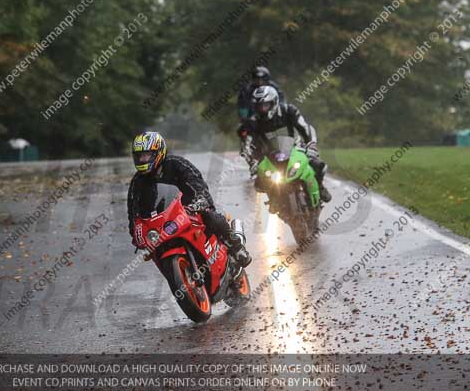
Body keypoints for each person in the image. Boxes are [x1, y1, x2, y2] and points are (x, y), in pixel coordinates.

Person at [127, 132, 252, 267]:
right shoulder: (137, 182)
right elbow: (133, 211)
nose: (143, 160)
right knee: (155, 250)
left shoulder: (176, 163)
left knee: (210, 216)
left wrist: (200, 199)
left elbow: (195, 180)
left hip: (192, 204)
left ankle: (237, 248)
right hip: (164, 218)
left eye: (146, 155)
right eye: (140, 156)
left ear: (158, 152)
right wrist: (136, 234)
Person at [241, 85, 332, 203]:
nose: (262, 109)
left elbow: (306, 127)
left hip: (296, 149)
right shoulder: (253, 122)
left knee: (319, 165)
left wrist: (311, 144)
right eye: (258, 106)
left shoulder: (289, 111)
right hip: (270, 157)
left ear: (274, 102)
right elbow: (247, 146)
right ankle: (274, 201)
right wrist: (252, 162)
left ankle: (320, 187)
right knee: (259, 183)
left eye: (265, 105)